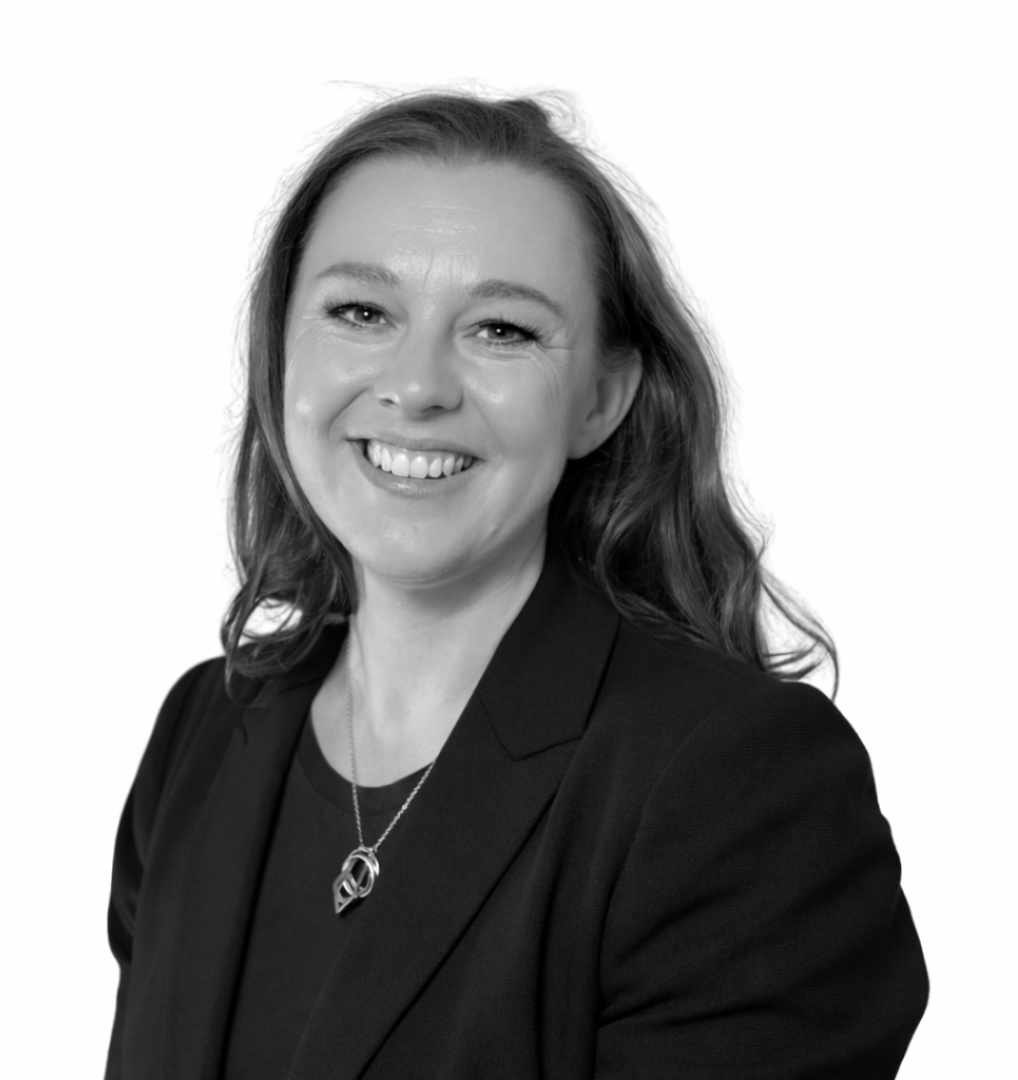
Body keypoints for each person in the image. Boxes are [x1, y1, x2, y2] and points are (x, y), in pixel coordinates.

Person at [105, 91, 928, 1079]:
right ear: (284, 350)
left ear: (601, 399)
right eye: (361, 312)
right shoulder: (206, 731)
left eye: (501, 330)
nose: (416, 387)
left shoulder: (739, 788)